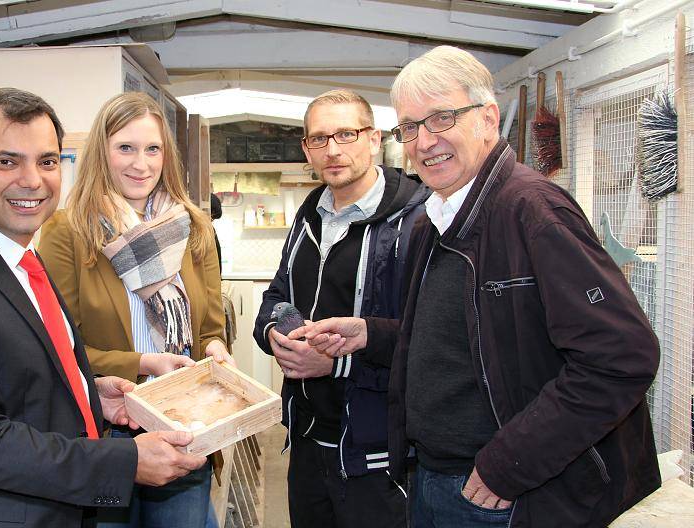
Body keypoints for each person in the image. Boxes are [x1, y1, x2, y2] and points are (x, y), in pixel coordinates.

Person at [298, 46, 661, 527]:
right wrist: (372, 334)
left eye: (441, 118)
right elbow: (467, 339)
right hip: (434, 477)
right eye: (410, 127)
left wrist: (509, 465)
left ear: (488, 119)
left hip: (506, 495)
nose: (425, 141)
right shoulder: (435, 219)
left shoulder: (532, 211)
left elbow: (622, 358)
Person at [0, 88, 207, 528]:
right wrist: (125, 460)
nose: (32, 179)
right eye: (6, 161)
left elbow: (29, 384)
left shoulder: (23, 262)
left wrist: (95, 396)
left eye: (47, 161)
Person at [38, 91, 231, 528]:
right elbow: (58, 350)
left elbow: (210, 330)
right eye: (125, 147)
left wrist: (216, 349)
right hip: (108, 433)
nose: (140, 164)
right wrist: (142, 363)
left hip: (184, 425)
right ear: (101, 153)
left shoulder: (192, 226)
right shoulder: (67, 232)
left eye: (152, 149)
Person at [251, 89, 430, 528]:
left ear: (374, 139)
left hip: (377, 456)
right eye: (319, 139)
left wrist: (334, 365)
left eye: (346, 134)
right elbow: (276, 296)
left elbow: (431, 338)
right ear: (305, 149)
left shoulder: (417, 220)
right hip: (309, 440)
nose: (332, 150)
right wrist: (278, 332)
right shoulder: (310, 214)